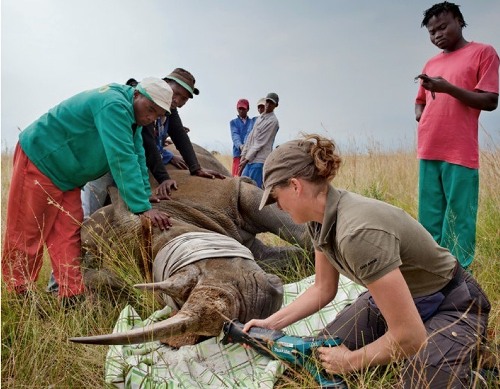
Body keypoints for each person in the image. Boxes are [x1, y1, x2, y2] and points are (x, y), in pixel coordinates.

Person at [243, 134, 490, 387]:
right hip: (402, 300)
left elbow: (410, 334)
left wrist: (352, 361)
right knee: (321, 355)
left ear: (295, 186)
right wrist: (270, 323)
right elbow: (323, 288)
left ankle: (474, 363)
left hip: (452, 301)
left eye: (276, 197)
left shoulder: (357, 233)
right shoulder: (320, 220)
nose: (279, 207)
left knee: (420, 379)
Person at [2, 77, 173, 305]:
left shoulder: (132, 115)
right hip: (42, 159)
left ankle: (71, 295)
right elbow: (121, 157)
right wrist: (141, 208)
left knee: (69, 232)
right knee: (27, 230)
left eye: (158, 115)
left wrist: (144, 193)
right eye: (150, 109)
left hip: (68, 176)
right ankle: (19, 295)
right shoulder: (114, 104)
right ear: (136, 95)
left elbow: (136, 154)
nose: (151, 117)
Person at [414, 1, 499, 269]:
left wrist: (448, 88)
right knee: (429, 218)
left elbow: (490, 100)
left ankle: (459, 277)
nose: (437, 34)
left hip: (460, 150)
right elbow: (420, 100)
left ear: (459, 21)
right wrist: (421, 114)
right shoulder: (431, 62)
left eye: (442, 26)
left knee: (459, 217)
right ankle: (431, 272)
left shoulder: (483, 53)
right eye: (432, 31)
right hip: (428, 147)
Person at [238, 92, 280, 187]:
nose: (268, 104)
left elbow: (260, 143)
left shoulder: (273, 121)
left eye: (271, 103)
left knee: (253, 190)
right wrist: (243, 156)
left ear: (276, 105)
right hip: (249, 160)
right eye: (267, 101)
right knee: (242, 186)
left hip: (259, 161)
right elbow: (250, 137)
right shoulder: (260, 117)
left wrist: (245, 160)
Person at [230, 98, 254, 176]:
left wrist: (247, 148)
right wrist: (240, 146)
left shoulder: (252, 122)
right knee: (236, 176)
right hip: (238, 154)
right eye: (239, 108)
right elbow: (235, 135)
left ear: (248, 109)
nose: (241, 111)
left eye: (243, 108)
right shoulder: (233, 122)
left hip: (249, 155)